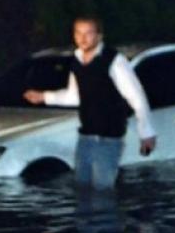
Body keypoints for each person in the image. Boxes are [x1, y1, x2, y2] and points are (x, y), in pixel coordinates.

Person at [23, 17, 156, 188]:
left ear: (99, 36)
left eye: (88, 33)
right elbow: (74, 96)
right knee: (83, 190)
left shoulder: (114, 61)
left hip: (108, 138)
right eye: (78, 33)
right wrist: (44, 97)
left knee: (101, 192)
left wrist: (146, 132)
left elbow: (136, 96)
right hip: (86, 137)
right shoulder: (77, 61)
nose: (83, 38)